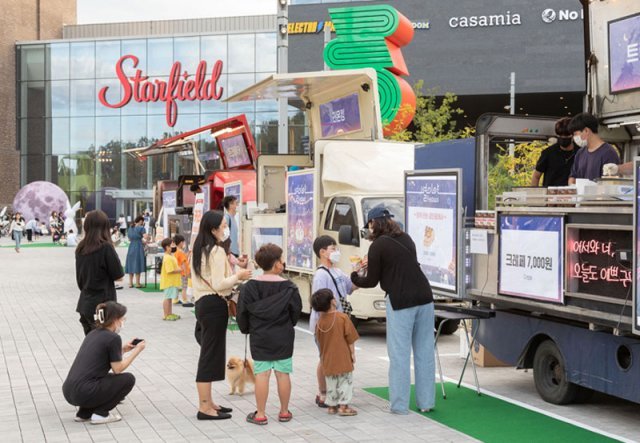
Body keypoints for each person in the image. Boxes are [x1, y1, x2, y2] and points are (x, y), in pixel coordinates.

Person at [351, 206, 435, 414]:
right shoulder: (406, 238)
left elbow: (371, 281)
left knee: (399, 355)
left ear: (373, 223)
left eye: (369, 224)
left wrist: (354, 276)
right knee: (425, 353)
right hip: (425, 298)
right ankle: (426, 403)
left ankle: (399, 406)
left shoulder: (377, 246)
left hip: (400, 301)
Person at [191, 210, 252, 420]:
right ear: (213, 229)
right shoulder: (215, 251)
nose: (226, 229)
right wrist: (238, 276)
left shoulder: (199, 249)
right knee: (209, 357)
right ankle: (204, 407)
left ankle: (209, 402)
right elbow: (219, 283)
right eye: (223, 226)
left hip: (202, 304)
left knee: (210, 354)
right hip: (214, 304)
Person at [237, 243, 302, 425]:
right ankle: (283, 412)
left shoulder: (249, 287)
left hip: (260, 336)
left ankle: (261, 414)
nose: (283, 262)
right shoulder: (290, 288)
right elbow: (295, 313)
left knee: (262, 374)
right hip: (283, 335)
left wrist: (247, 329)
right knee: (283, 373)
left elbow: (242, 313)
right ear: (276, 264)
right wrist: (287, 325)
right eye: (281, 259)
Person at [62, 301, 145, 424]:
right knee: (128, 379)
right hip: (85, 391)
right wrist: (137, 351)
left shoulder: (93, 333)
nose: (123, 322)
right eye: (123, 319)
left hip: (69, 391)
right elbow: (118, 369)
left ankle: (84, 413)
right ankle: (101, 414)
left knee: (101, 379)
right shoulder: (113, 338)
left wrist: (123, 349)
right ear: (115, 320)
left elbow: (100, 357)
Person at [310, 235, 356, 408]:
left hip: (339, 322)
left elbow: (351, 286)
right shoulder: (321, 275)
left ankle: (335, 391)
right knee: (325, 358)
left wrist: (359, 271)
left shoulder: (337, 271)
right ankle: (323, 392)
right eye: (333, 249)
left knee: (334, 357)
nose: (337, 252)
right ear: (322, 252)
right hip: (326, 324)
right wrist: (323, 326)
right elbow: (319, 302)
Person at [75, 210, 125, 335]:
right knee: (104, 347)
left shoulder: (80, 248)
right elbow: (119, 276)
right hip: (104, 306)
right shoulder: (105, 247)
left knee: (92, 345)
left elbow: (80, 281)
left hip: (85, 303)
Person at [311, 288, 359, 416]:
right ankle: (344, 406)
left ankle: (331, 406)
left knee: (331, 382)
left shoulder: (320, 322)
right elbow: (350, 338)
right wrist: (352, 354)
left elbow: (318, 340)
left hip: (327, 358)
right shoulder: (342, 317)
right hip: (342, 357)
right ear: (332, 301)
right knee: (345, 382)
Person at [568, 112, 620, 184]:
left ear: (586, 131)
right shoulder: (580, 153)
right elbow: (572, 177)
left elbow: (610, 183)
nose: (574, 138)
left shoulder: (608, 153)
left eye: (575, 134)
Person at [531, 117, 577, 187]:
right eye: (560, 135)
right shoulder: (548, 153)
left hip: (574, 195)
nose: (563, 138)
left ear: (573, 135)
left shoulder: (580, 153)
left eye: (567, 135)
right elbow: (536, 176)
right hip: (550, 195)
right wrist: (534, 195)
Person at [160, 238, 182, 321]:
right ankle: (166, 314)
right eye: (172, 245)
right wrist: (180, 270)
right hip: (169, 282)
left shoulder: (170, 256)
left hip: (172, 282)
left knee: (170, 298)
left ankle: (169, 313)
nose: (174, 246)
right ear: (167, 247)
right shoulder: (167, 258)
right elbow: (170, 271)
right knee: (167, 298)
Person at [125, 215, 147, 288]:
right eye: (143, 221)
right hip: (138, 247)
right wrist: (148, 238)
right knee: (138, 263)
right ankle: (137, 283)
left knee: (131, 263)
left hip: (131, 246)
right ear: (141, 221)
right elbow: (146, 237)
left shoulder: (130, 228)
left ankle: (130, 283)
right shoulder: (141, 228)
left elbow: (129, 239)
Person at [173, 234, 194, 308]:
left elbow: (183, 259)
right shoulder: (181, 252)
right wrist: (186, 273)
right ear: (181, 242)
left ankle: (175, 299)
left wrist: (188, 254)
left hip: (178, 272)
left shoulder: (176, 252)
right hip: (183, 272)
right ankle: (185, 300)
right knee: (184, 287)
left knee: (178, 286)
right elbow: (183, 263)